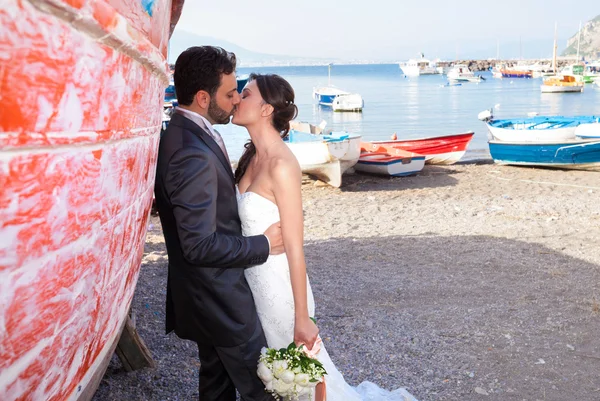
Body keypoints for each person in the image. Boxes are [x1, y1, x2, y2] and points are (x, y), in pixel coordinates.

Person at [232, 73, 419, 401]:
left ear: (265, 110)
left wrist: (302, 317)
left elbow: (294, 245)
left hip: (282, 293)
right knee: (279, 380)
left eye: (245, 94)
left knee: (304, 379)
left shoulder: (282, 164)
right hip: (253, 289)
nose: (236, 98)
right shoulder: (250, 157)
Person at [153, 46, 283, 401]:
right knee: (264, 388)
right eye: (228, 94)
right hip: (220, 299)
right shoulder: (189, 152)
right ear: (201, 96)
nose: (235, 100)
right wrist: (264, 245)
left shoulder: (187, 133)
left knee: (217, 383)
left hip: (207, 296)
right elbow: (198, 244)